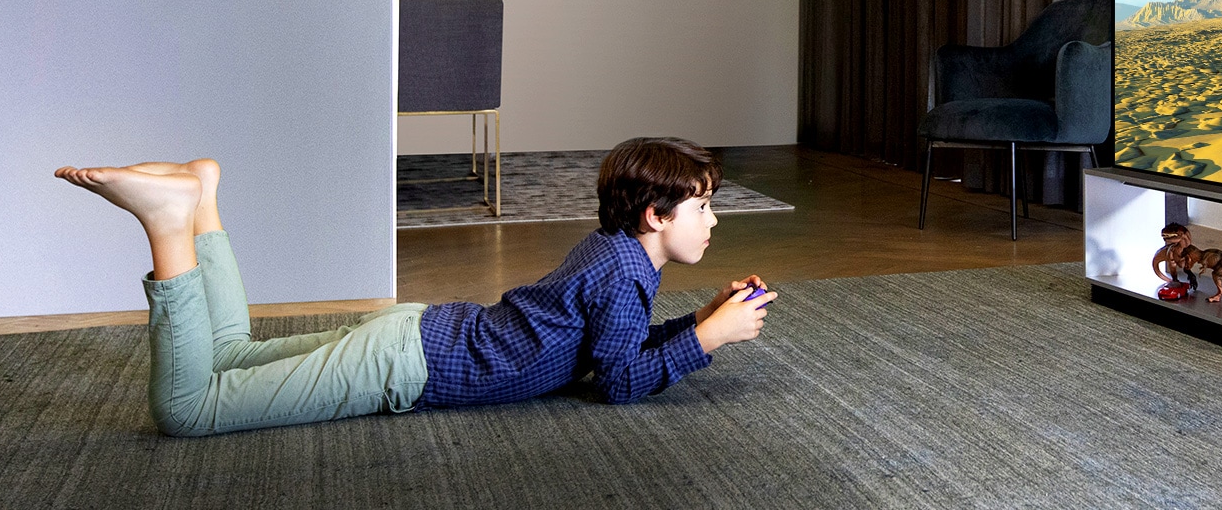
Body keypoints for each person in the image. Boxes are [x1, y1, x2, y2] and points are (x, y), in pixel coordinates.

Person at [53, 136, 773, 436]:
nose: (713, 218)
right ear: (656, 215)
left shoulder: (618, 253)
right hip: (403, 365)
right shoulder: (624, 275)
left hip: (417, 331)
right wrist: (707, 339)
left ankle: (202, 200)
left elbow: (613, 350)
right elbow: (616, 383)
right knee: (188, 409)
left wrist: (696, 322)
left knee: (234, 357)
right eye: (703, 204)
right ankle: (171, 225)